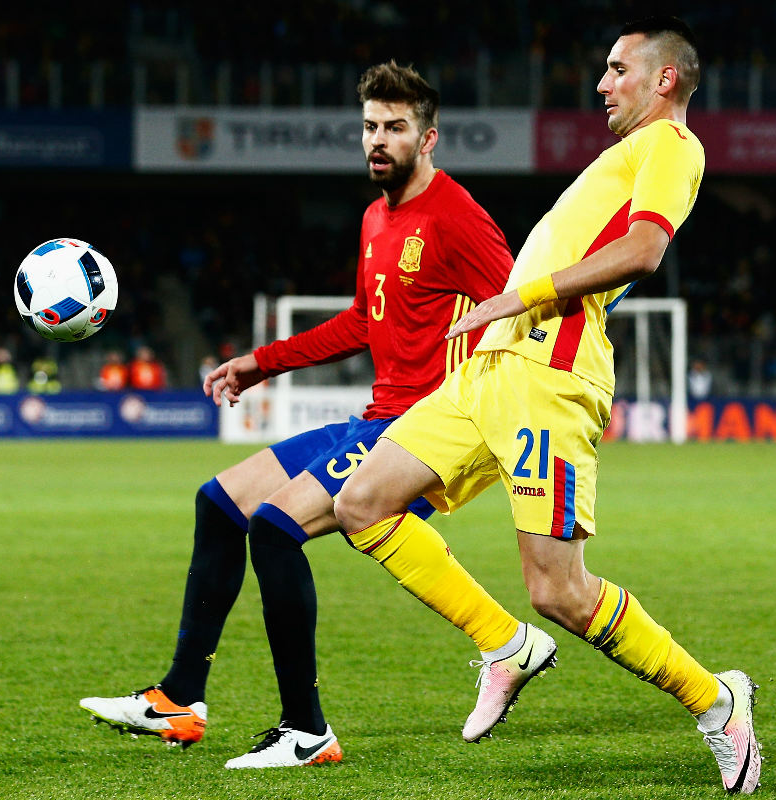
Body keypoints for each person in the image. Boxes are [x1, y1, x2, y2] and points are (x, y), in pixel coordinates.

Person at [332, 18, 762, 795]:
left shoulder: (671, 146)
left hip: (549, 376)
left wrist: (516, 295)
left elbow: (644, 251)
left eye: (616, 69)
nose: (602, 83)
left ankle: (718, 702)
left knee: (559, 590)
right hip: (489, 372)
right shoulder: (623, 154)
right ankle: (502, 647)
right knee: (362, 503)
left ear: (663, 79)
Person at [79, 61, 544, 769]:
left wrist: (502, 419)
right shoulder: (375, 218)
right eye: (369, 127)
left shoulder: (456, 217)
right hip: (372, 417)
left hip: (420, 432)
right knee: (219, 502)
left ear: (429, 139)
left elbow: (520, 304)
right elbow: (363, 321)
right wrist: (260, 361)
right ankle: (180, 699)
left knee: (273, 530)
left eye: (394, 127)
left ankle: (307, 730)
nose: (377, 140)